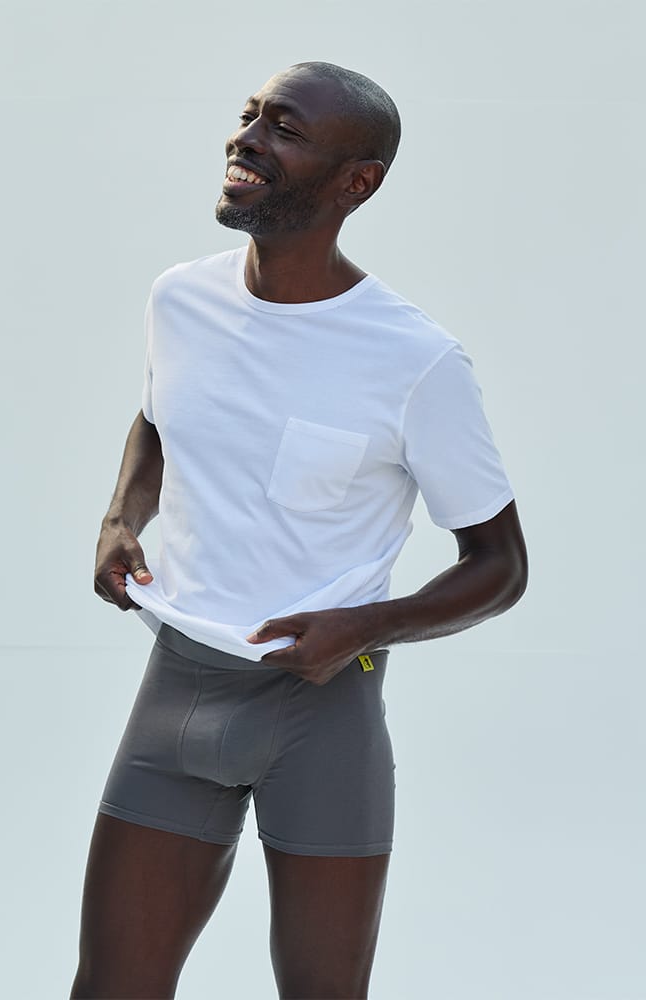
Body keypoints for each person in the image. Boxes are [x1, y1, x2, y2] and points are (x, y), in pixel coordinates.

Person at [70, 60, 528, 1000]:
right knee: (111, 988)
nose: (246, 139)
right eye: (248, 117)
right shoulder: (180, 300)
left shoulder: (415, 360)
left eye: (283, 128)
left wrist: (362, 627)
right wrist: (122, 517)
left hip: (323, 708)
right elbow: (158, 420)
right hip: (178, 692)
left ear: (358, 181)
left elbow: (501, 566)